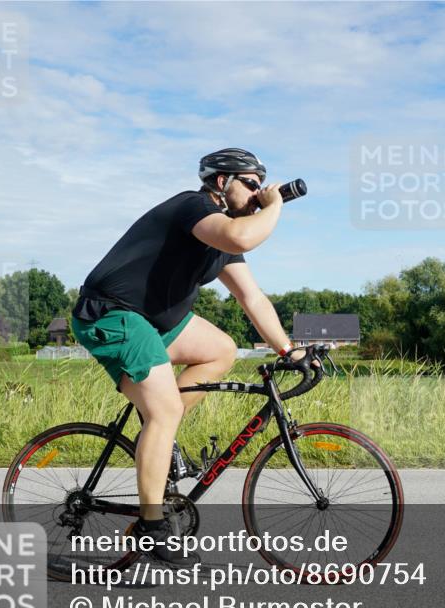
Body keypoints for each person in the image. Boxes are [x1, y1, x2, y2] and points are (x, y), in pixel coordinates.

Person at [70, 148, 307, 567]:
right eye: (251, 184)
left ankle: (158, 436)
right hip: (113, 315)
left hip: (153, 323)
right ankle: (151, 525)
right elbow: (242, 236)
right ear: (221, 182)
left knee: (221, 349)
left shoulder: (221, 237)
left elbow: (252, 298)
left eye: (261, 186)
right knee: (163, 412)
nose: (258, 193)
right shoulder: (193, 208)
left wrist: (290, 349)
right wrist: (275, 206)